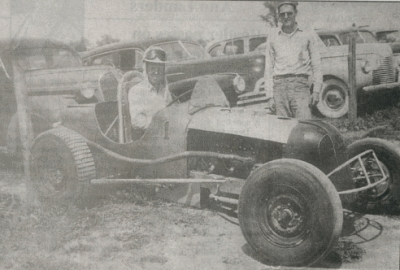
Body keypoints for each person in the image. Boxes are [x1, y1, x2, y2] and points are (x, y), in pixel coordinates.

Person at [264, 1, 322, 119]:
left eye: (289, 13)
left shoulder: (307, 33)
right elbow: (268, 67)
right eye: (282, 14)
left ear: (296, 13)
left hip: (300, 87)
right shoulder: (273, 36)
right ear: (279, 16)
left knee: (303, 127)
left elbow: (317, 64)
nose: (286, 17)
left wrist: (316, 91)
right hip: (279, 88)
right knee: (282, 132)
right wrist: (269, 96)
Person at [128, 47, 172, 131]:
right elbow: (137, 122)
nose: (156, 72)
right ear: (146, 69)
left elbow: (171, 112)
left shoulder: (164, 90)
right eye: (152, 68)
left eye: (159, 69)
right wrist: (161, 126)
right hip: (148, 138)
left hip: (165, 135)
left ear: (163, 70)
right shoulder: (136, 91)